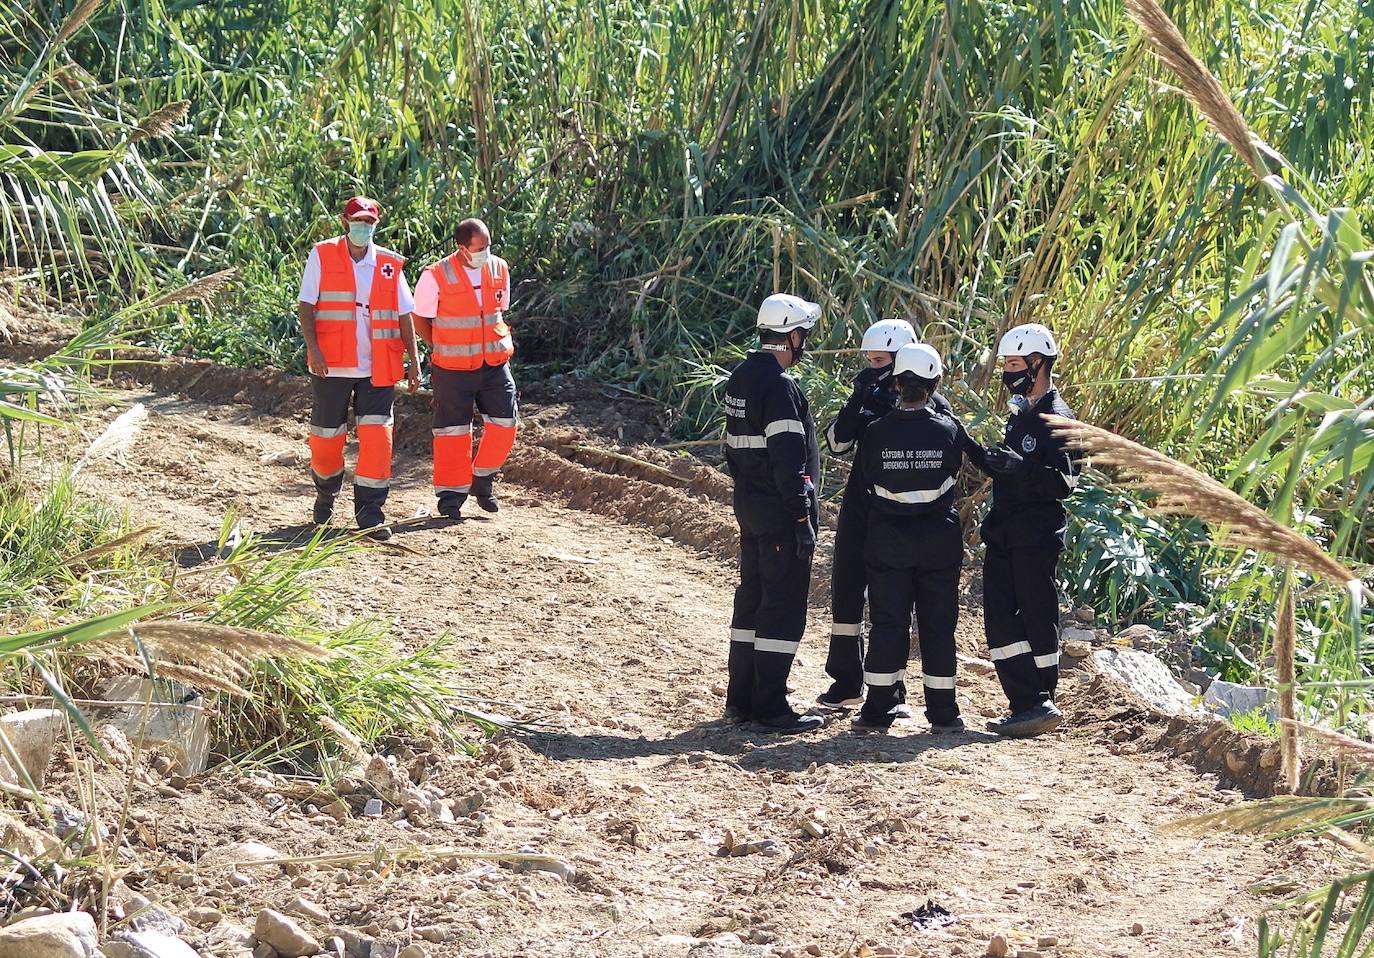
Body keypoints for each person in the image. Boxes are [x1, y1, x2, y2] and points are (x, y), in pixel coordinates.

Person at [819, 320, 954, 715]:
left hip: (897, 524)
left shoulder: (933, 409)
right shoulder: (868, 399)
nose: (872, 368)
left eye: (879, 362)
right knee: (846, 593)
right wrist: (859, 399)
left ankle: (891, 690)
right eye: (869, 361)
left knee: (891, 608)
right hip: (860, 511)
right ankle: (846, 682)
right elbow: (838, 442)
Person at [963, 323, 1080, 738]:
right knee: (1000, 616)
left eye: (1013, 364)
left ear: (1037, 363)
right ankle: (1030, 703)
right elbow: (1014, 470)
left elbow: (1064, 483)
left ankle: (1037, 702)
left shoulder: (1057, 417)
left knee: (1035, 615)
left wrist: (1023, 468)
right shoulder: (1022, 412)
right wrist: (974, 449)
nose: (1007, 372)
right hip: (1006, 531)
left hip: (1035, 534)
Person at [722, 293, 826, 735]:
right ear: (792, 335)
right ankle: (770, 707)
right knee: (781, 608)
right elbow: (789, 460)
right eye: (802, 336)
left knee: (752, 599)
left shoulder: (740, 377)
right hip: (781, 513)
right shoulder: (780, 386)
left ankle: (741, 699)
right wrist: (802, 519)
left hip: (749, 505)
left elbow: (733, 451)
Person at [850, 343, 966, 733]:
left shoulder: (876, 433)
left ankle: (877, 710)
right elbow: (954, 475)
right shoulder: (949, 431)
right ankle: (944, 713)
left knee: (888, 624)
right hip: (939, 542)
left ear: (897, 382)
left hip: (888, 542)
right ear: (935, 384)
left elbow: (867, 483)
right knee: (938, 627)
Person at [297, 195, 421, 541]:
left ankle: (370, 513)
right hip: (332, 365)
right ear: (344, 222)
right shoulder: (322, 254)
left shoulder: (388, 264)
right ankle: (326, 490)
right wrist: (314, 350)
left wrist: (414, 359)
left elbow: (404, 314)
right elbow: (306, 307)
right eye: (357, 221)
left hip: (378, 366)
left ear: (375, 226)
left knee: (378, 439)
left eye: (369, 223)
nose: (363, 227)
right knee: (325, 438)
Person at [412, 218, 517, 520]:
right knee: (451, 431)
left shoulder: (499, 267)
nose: (486, 252)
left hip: (494, 362)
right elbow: (421, 319)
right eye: (480, 248)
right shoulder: (435, 276)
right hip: (452, 367)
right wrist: (442, 345)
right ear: (462, 248)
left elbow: (497, 311)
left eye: (488, 246)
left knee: (505, 424)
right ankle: (451, 496)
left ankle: (481, 480)